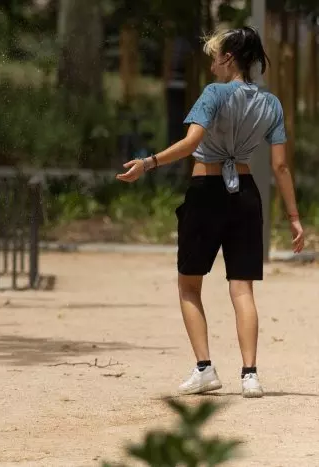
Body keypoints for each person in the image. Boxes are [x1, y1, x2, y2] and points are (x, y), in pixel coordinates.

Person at [116, 26, 304, 398]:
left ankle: (205, 368)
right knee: (242, 288)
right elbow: (281, 168)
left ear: (228, 58)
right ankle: (250, 374)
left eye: (216, 55)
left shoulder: (213, 93)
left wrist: (148, 163)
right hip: (246, 195)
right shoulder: (272, 104)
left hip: (206, 192)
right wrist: (294, 218)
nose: (213, 62)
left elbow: (191, 144)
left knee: (189, 284)